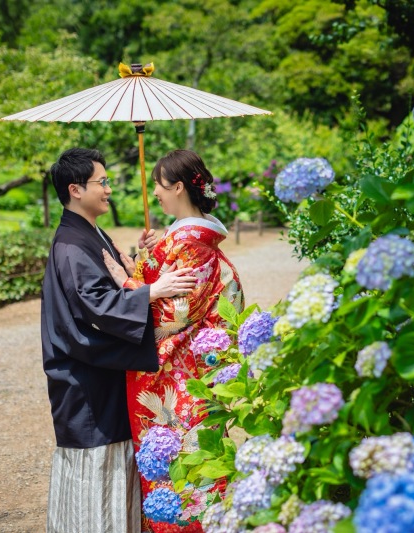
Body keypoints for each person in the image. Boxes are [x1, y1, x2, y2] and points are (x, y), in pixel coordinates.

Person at [41, 148, 198, 533]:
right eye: (103, 182)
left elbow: (113, 282)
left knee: (114, 480)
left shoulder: (88, 233)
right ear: (75, 190)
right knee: (96, 484)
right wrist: (151, 292)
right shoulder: (71, 246)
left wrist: (140, 262)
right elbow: (98, 304)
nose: (110, 189)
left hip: (101, 371)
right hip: (87, 380)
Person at [103, 149, 244, 532]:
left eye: (160, 187)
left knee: (180, 460)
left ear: (179, 186)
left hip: (175, 376)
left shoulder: (188, 243)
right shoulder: (195, 238)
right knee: (199, 455)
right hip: (194, 373)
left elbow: (172, 314)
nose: (157, 195)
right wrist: (148, 258)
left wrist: (126, 282)